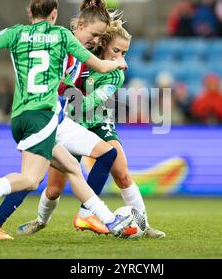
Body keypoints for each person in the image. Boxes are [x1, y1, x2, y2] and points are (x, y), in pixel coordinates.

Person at [0, 0, 130, 237]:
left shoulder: (17, 33)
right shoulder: (62, 38)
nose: (96, 41)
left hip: (35, 116)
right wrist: (117, 65)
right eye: (95, 35)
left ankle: (107, 220)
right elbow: (91, 69)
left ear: (30, 11)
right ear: (58, 16)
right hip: (44, 115)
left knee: (77, 167)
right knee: (32, 178)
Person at [18, 19, 166, 238]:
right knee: (54, 189)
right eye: (117, 51)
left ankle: (143, 225)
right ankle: (41, 220)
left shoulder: (116, 74)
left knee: (122, 172)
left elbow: (87, 104)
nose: (120, 58)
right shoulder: (81, 57)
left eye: (125, 53)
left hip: (99, 122)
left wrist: (64, 88)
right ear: (103, 44)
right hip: (71, 123)